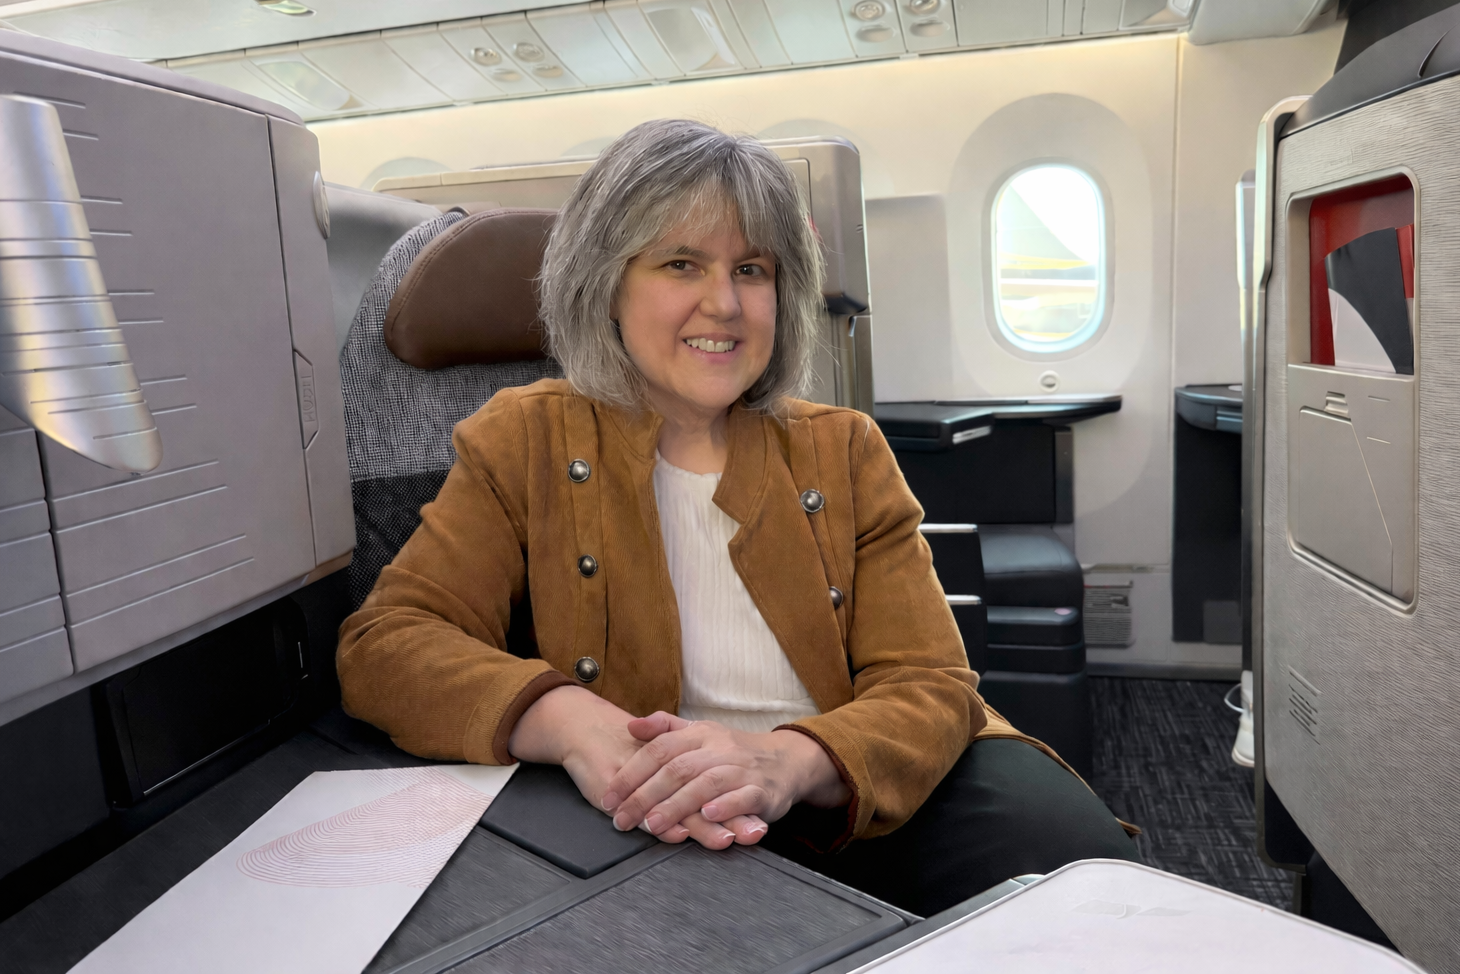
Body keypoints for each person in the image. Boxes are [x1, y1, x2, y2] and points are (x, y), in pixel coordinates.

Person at [337, 118, 1137, 916]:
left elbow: (928, 683)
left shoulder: (845, 449)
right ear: (608, 282)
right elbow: (389, 644)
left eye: (751, 269)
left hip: (848, 788)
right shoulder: (525, 436)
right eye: (681, 263)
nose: (723, 304)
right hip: (647, 807)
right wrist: (569, 721)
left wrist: (790, 760)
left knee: (1083, 884)